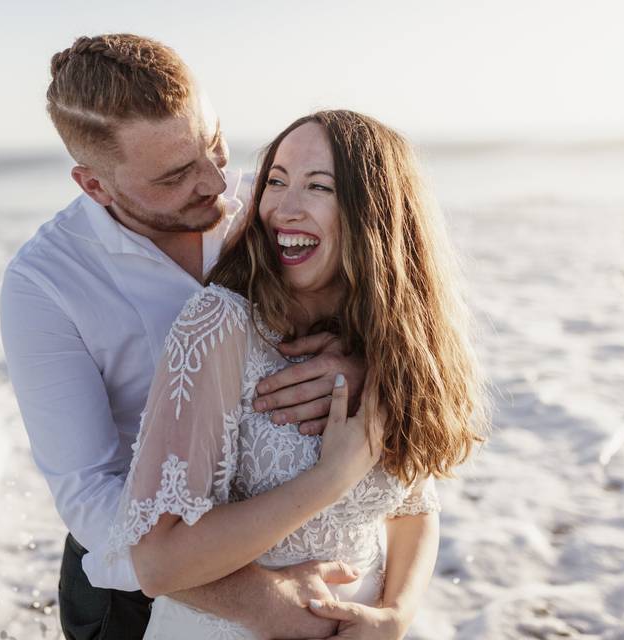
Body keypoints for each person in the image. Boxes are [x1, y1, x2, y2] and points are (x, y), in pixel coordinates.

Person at [0, 34, 367, 640]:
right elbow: (89, 492)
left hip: (306, 544)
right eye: (174, 177)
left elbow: (388, 307)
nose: (218, 183)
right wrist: (247, 591)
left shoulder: (271, 201)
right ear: (93, 185)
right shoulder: (44, 284)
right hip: (136, 594)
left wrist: (360, 362)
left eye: (215, 144)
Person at [107, 110, 488, 638]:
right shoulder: (220, 326)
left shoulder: (389, 344)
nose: (282, 209)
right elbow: (157, 563)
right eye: (276, 181)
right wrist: (329, 478)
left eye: (318, 186)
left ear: (374, 213)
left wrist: (395, 616)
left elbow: (413, 508)